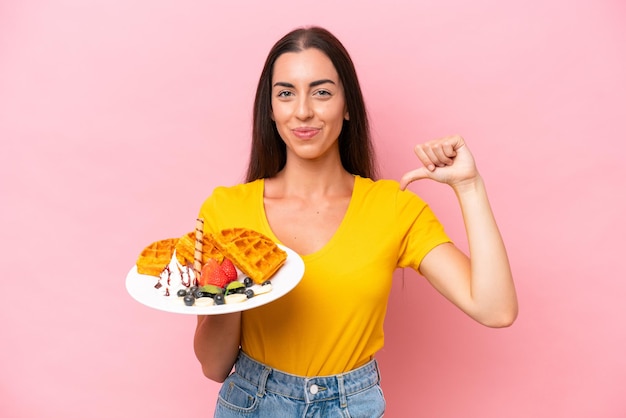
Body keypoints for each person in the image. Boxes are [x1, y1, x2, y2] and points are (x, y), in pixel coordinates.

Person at [193, 26, 518, 417]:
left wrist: (469, 187)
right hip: (251, 403)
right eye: (285, 93)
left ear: (347, 106)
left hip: (351, 406)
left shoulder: (392, 208)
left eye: (322, 91)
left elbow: (496, 309)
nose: (303, 111)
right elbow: (213, 366)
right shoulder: (226, 211)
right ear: (271, 109)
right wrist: (231, 287)